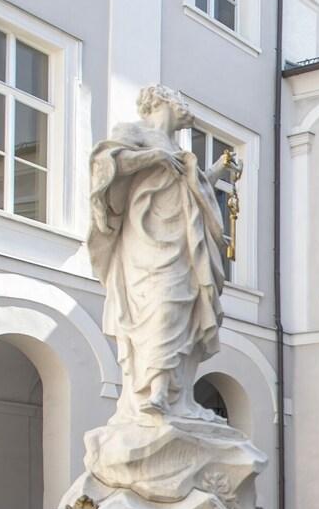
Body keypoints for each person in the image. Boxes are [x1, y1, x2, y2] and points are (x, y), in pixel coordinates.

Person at [87, 85, 239, 420]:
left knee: (184, 312)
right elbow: (105, 165)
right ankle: (154, 394)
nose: (187, 108)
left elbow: (195, 186)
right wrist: (153, 156)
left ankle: (177, 398)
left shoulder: (178, 148)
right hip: (146, 239)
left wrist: (216, 169)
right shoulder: (134, 132)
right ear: (163, 102)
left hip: (184, 241)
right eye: (181, 101)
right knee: (159, 306)